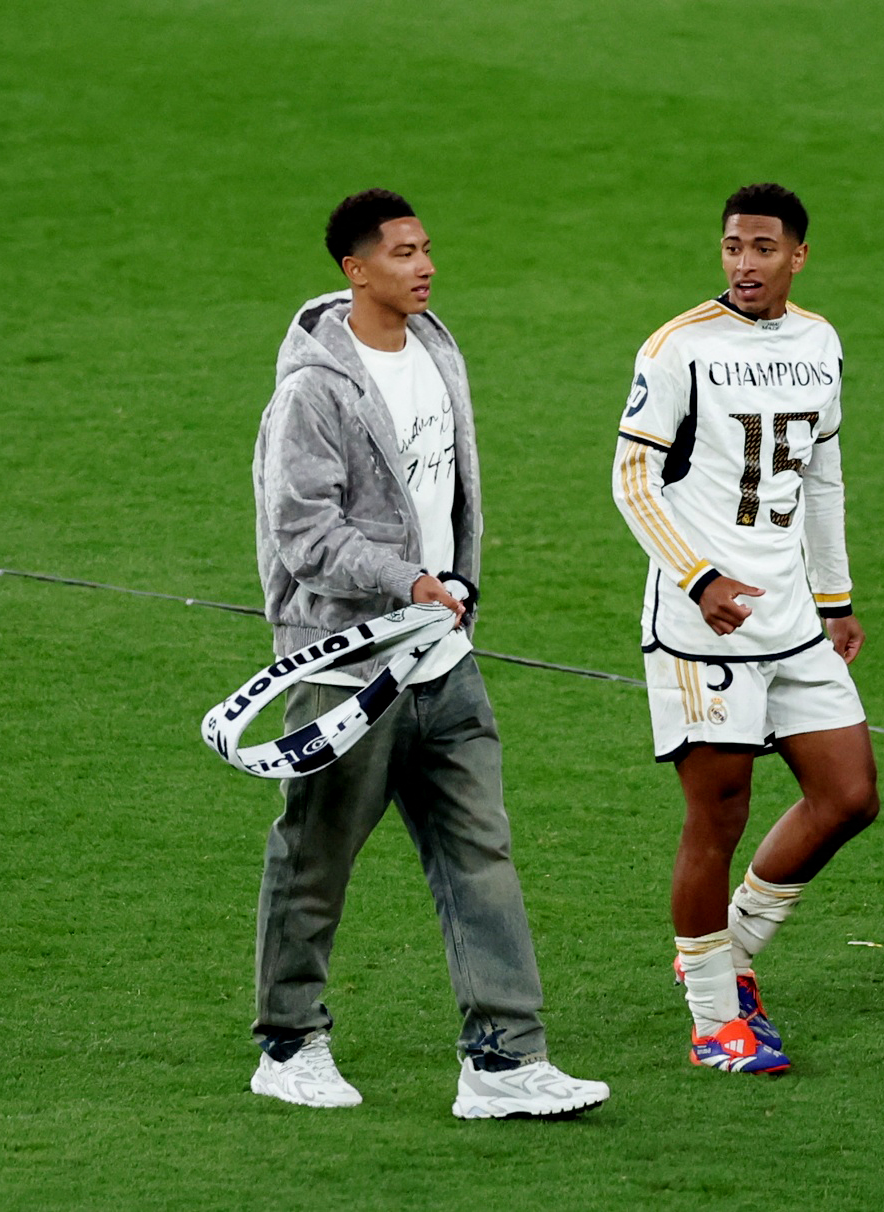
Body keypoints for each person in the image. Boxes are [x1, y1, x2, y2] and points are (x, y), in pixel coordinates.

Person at [249, 188, 608, 1118]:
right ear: (354, 270)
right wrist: (408, 578)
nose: (425, 265)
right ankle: (289, 1044)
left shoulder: (437, 352)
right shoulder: (312, 392)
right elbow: (302, 535)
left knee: (480, 853)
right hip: (346, 668)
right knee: (316, 855)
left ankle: (501, 1059)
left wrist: (448, 592)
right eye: (404, 253)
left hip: (444, 661)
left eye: (427, 248)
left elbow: (448, 500)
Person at [611, 183, 879, 1073]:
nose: (744, 264)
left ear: (796, 256)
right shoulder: (679, 347)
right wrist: (699, 579)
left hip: (795, 620)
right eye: (732, 247)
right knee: (715, 821)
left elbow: (824, 473)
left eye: (762, 248)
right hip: (703, 628)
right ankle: (713, 1022)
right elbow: (632, 482)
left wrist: (834, 599)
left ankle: (725, 957)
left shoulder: (819, 341)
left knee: (848, 797)